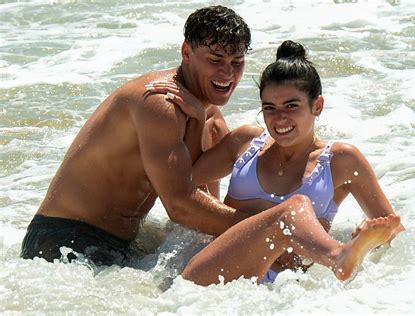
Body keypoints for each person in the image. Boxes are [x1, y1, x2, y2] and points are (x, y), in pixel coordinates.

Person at [148, 40, 404, 285]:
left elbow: (393, 230)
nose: (279, 118)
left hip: (282, 284)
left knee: (294, 209)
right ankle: (338, 256)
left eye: (291, 106)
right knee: (294, 209)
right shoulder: (246, 142)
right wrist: (197, 117)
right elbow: (184, 182)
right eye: (269, 108)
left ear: (318, 105)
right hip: (217, 270)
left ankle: (341, 256)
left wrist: (373, 235)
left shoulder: (341, 160)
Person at [20, 5, 252, 266]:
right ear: (187, 52)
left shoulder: (209, 119)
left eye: (237, 62)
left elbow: (201, 209)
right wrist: (261, 227)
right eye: (215, 60)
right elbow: (180, 206)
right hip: (65, 240)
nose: (228, 73)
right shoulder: (159, 103)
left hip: (123, 242)